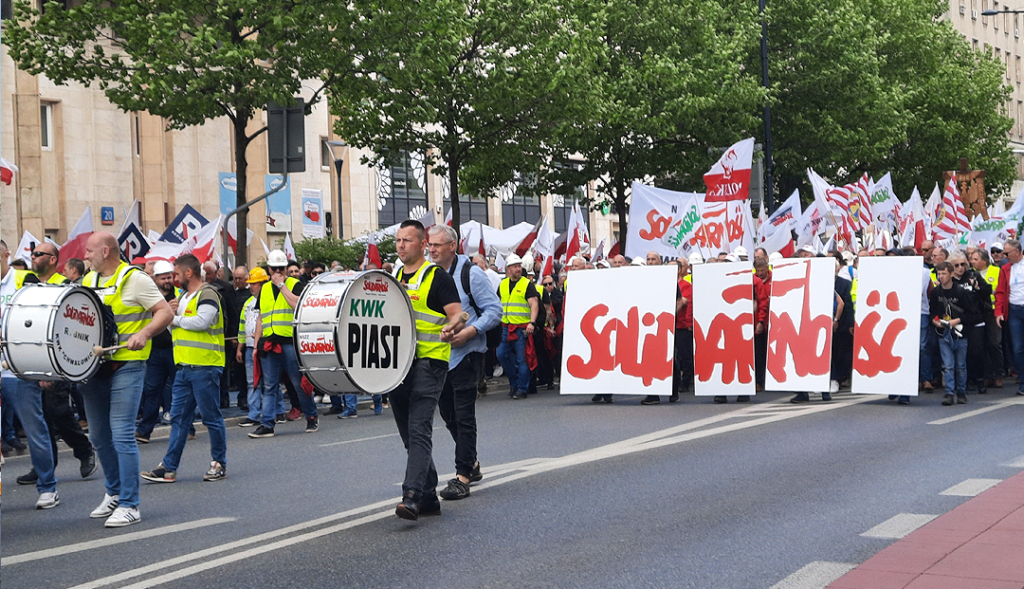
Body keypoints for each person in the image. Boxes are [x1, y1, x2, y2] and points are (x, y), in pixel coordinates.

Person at [80, 231, 174, 527]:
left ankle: (131, 504)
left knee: (121, 434)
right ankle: (114, 492)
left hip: (128, 366)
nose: (86, 255)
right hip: (94, 368)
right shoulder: (87, 282)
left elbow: (164, 313)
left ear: (106, 251)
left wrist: (144, 332)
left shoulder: (136, 279)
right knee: (97, 435)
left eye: (90, 251)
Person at [391, 220, 465, 520]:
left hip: (430, 362)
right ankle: (429, 496)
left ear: (423, 244)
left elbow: (458, 313)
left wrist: (453, 327)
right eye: (397, 240)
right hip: (399, 365)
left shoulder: (437, 277)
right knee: (409, 434)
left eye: (406, 240)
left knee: (419, 427)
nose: (400, 245)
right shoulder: (394, 276)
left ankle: (411, 495)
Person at [427, 225, 501, 500]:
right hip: (438, 357)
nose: (431, 249)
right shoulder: (429, 274)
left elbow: (494, 310)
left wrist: (468, 332)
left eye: (436, 244)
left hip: (467, 354)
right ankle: (472, 462)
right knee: (448, 416)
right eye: (429, 245)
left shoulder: (472, 273)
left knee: (464, 415)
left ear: (452, 246)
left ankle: (462, 476)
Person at [141, 254, 228, 483]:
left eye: (177, 274)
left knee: (211, 418)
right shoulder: (183, 296)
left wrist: (173, 319)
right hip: (184, 368)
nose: (174, 278)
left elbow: (203, 322)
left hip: (205, 366)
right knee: (179, 419)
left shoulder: (207, 293)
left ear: (189, 273)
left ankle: (219, 463)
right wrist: (172, 318)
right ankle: (168, 467)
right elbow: (177, 332)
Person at [1, 240, 62, 509]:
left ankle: (48, 487)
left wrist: (43, 365)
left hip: (19, 370)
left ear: (6, 254)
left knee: (35, 429)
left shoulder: (22, 278)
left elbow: (40, 319)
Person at [248, 250, 319, 438]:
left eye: (282, 268)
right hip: (269, 343)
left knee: (297, 384)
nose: (278, 271)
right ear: (269, 269)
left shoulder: (295, 284)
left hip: (289, 342)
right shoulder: (263, 290)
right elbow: (261, 319)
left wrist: (281, 286)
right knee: (270, 386)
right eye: (275, 268)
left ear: (286, 268)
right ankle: (267, 424)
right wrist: (255, 346)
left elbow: (297, 305)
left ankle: (311, 416)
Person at [135, 261, 180, 443]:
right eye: (163, 278)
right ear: (156, 279)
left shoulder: (180, 297)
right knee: (152, 390)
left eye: (169, 277)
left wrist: (178, 312)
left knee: (179, 390)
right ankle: (145, 430)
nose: (167, 281)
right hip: (154, 350)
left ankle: (187, 427)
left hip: (174, 350)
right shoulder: (151, 298)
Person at [932, 261, 979, 406]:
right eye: (939, 274)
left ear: (951, 274)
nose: (941, 277)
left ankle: (961, 391)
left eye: (944, 274)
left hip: (960, 333)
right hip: (943, 333)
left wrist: (956, 320)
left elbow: (972, 315)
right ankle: (949, 392)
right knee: (948, 365)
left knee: (960, 365)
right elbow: (933, 312)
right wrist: (935, 321)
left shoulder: (961, 292)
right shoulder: (935, 292)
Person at [496, 253, 539, 400]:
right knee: (501, 354)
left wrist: (531, 323)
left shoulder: (527, 284)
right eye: (515, 266)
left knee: (522, 359)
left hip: (521, 327)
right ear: (508, 269)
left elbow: (534, 304)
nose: (518, 269)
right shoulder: (502, 284)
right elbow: (497, 303)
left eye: (519, 266)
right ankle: (514, 383)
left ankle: (522, 388)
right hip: (505, 326)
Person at [950, 251, 991, 394]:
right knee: (962, 353)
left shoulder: (973, 276)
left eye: (963, 264)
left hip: (976, 319)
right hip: (959, 321)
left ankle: (979, 379)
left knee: (976, 351)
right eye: (956, 265)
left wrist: (978, 287)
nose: (960, 268)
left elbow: (987, 291)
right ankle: (966, 380)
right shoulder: (950, 281)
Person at [237, 267, 270, 427]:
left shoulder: (270, 301)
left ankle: (276, 412)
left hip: (267, 346)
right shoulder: (248, 303)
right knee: (253, 382)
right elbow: (242, 326)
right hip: (251, 348)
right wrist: (240, 347)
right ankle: (254, 414)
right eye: (250, 283)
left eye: (255, 283)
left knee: (271, 382)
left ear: (263, 284)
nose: (251, 286)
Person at [994, 239, 1024, 396]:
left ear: (1017, 252)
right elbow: (1000, 292)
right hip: (1014, 311)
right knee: (1017, 348)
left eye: (1007, 253)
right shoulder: (1005, 269)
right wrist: (999, 312)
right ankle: (1023, 382)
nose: (1004, 256)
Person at [971, 249, 1005, 387]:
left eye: (975, 259)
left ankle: (999, 374)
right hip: (978, 312)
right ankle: (987, 375)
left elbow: (999, 290)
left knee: (995, 343)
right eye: (971, 258)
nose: (972, 261)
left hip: (992, 312)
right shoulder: (970, 273)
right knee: (982, 345)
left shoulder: (996, 271)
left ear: (984, 260)